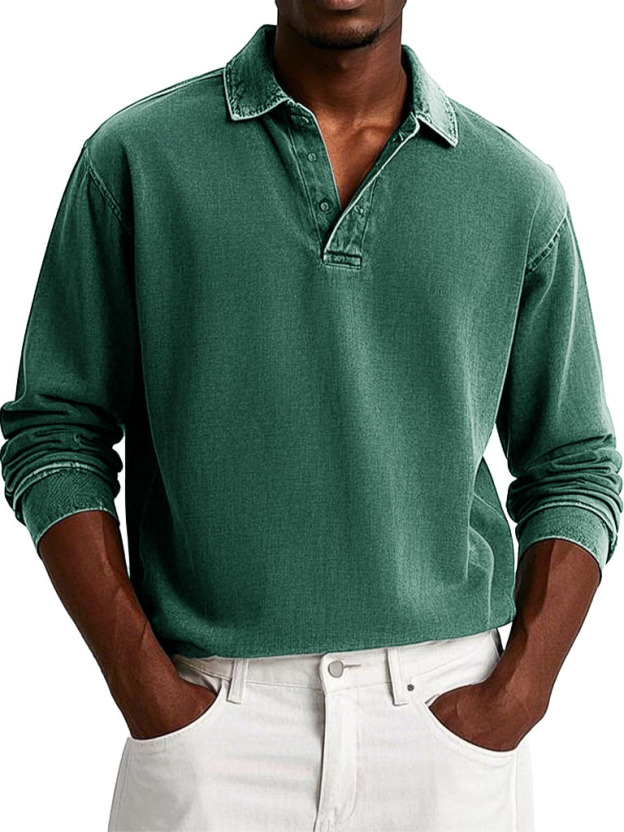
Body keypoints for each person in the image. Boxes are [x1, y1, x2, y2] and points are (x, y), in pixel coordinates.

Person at [0, 2, 621, 830]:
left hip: (443, 719)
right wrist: (140, 683)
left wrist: (521, 694)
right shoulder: (137, 159)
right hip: (208, 718)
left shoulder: (513, 189)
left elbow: (575, 464)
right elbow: (53, 430)